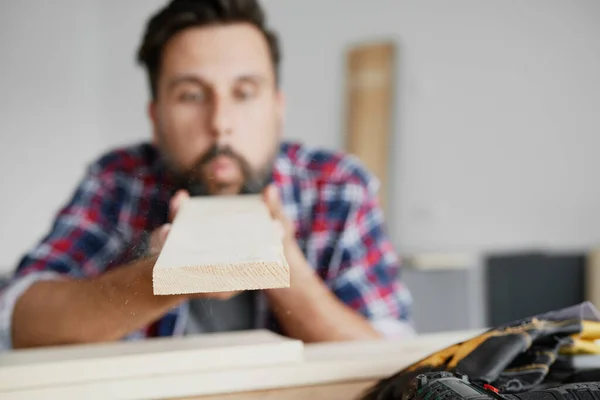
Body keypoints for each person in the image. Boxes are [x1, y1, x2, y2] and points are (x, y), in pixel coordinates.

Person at [0, 0, 413, 351]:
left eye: (245, 92)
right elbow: (18, 321)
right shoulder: (119, 180)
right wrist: (159, 276)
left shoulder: (337, 186)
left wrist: (283, 264)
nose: (220, 123)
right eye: (191, 95)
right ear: (156, 117)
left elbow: (395, 363)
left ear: (277, 107)